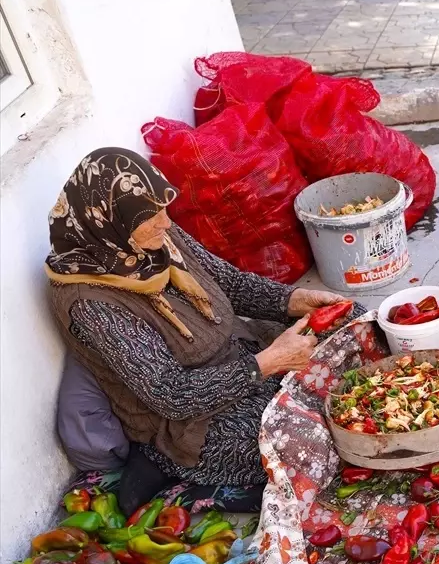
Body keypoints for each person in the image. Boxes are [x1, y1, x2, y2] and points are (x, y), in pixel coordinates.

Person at [46, 148, 353, 505]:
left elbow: (230, 284)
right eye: (150, 216)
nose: (165, 222)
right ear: (109, 222)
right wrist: (269, 363)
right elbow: (173, 395)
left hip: (243, 354)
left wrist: (292, 299)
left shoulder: (156, 238)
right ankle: (161, 464)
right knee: (314, 434)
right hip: (195, 423)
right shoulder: (91, 301)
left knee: (353, 322)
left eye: (163, 208)